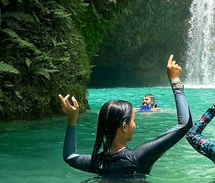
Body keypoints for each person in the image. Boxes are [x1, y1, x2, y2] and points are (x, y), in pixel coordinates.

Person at [58, 55, 192, 176]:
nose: (135, 125)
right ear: (124, 126)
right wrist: (175, 81)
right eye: (133, 120)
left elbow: (69, 156)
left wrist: (72, 119)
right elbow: (185, 125)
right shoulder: (138, 158)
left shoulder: (97, 162)